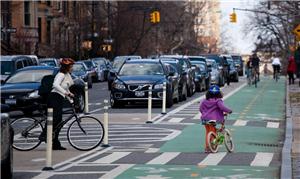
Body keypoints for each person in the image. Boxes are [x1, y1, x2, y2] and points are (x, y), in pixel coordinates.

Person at [48, 58, 75, 150]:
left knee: (58, 122)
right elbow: (55, 85)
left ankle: (55, 143)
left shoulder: (66, 75)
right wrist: (67, 93)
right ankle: (48, 137)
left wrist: (71, 101)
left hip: (59, 99)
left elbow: (66, 89)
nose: (72, 68)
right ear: (66, 67)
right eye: (71, 66)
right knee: (55, 121)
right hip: (54, 98)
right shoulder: (61, 75)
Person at [199, 85, 232, 153]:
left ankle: (207, 147)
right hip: (213, 119)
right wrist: (229, 111)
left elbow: (200, 109)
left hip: (205, 119)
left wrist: (204, 113)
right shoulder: (218, 101)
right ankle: (212, 146)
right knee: (213, 132)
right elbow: (222, 108)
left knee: (208, 132)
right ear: (219, 93)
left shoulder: (204, 101)